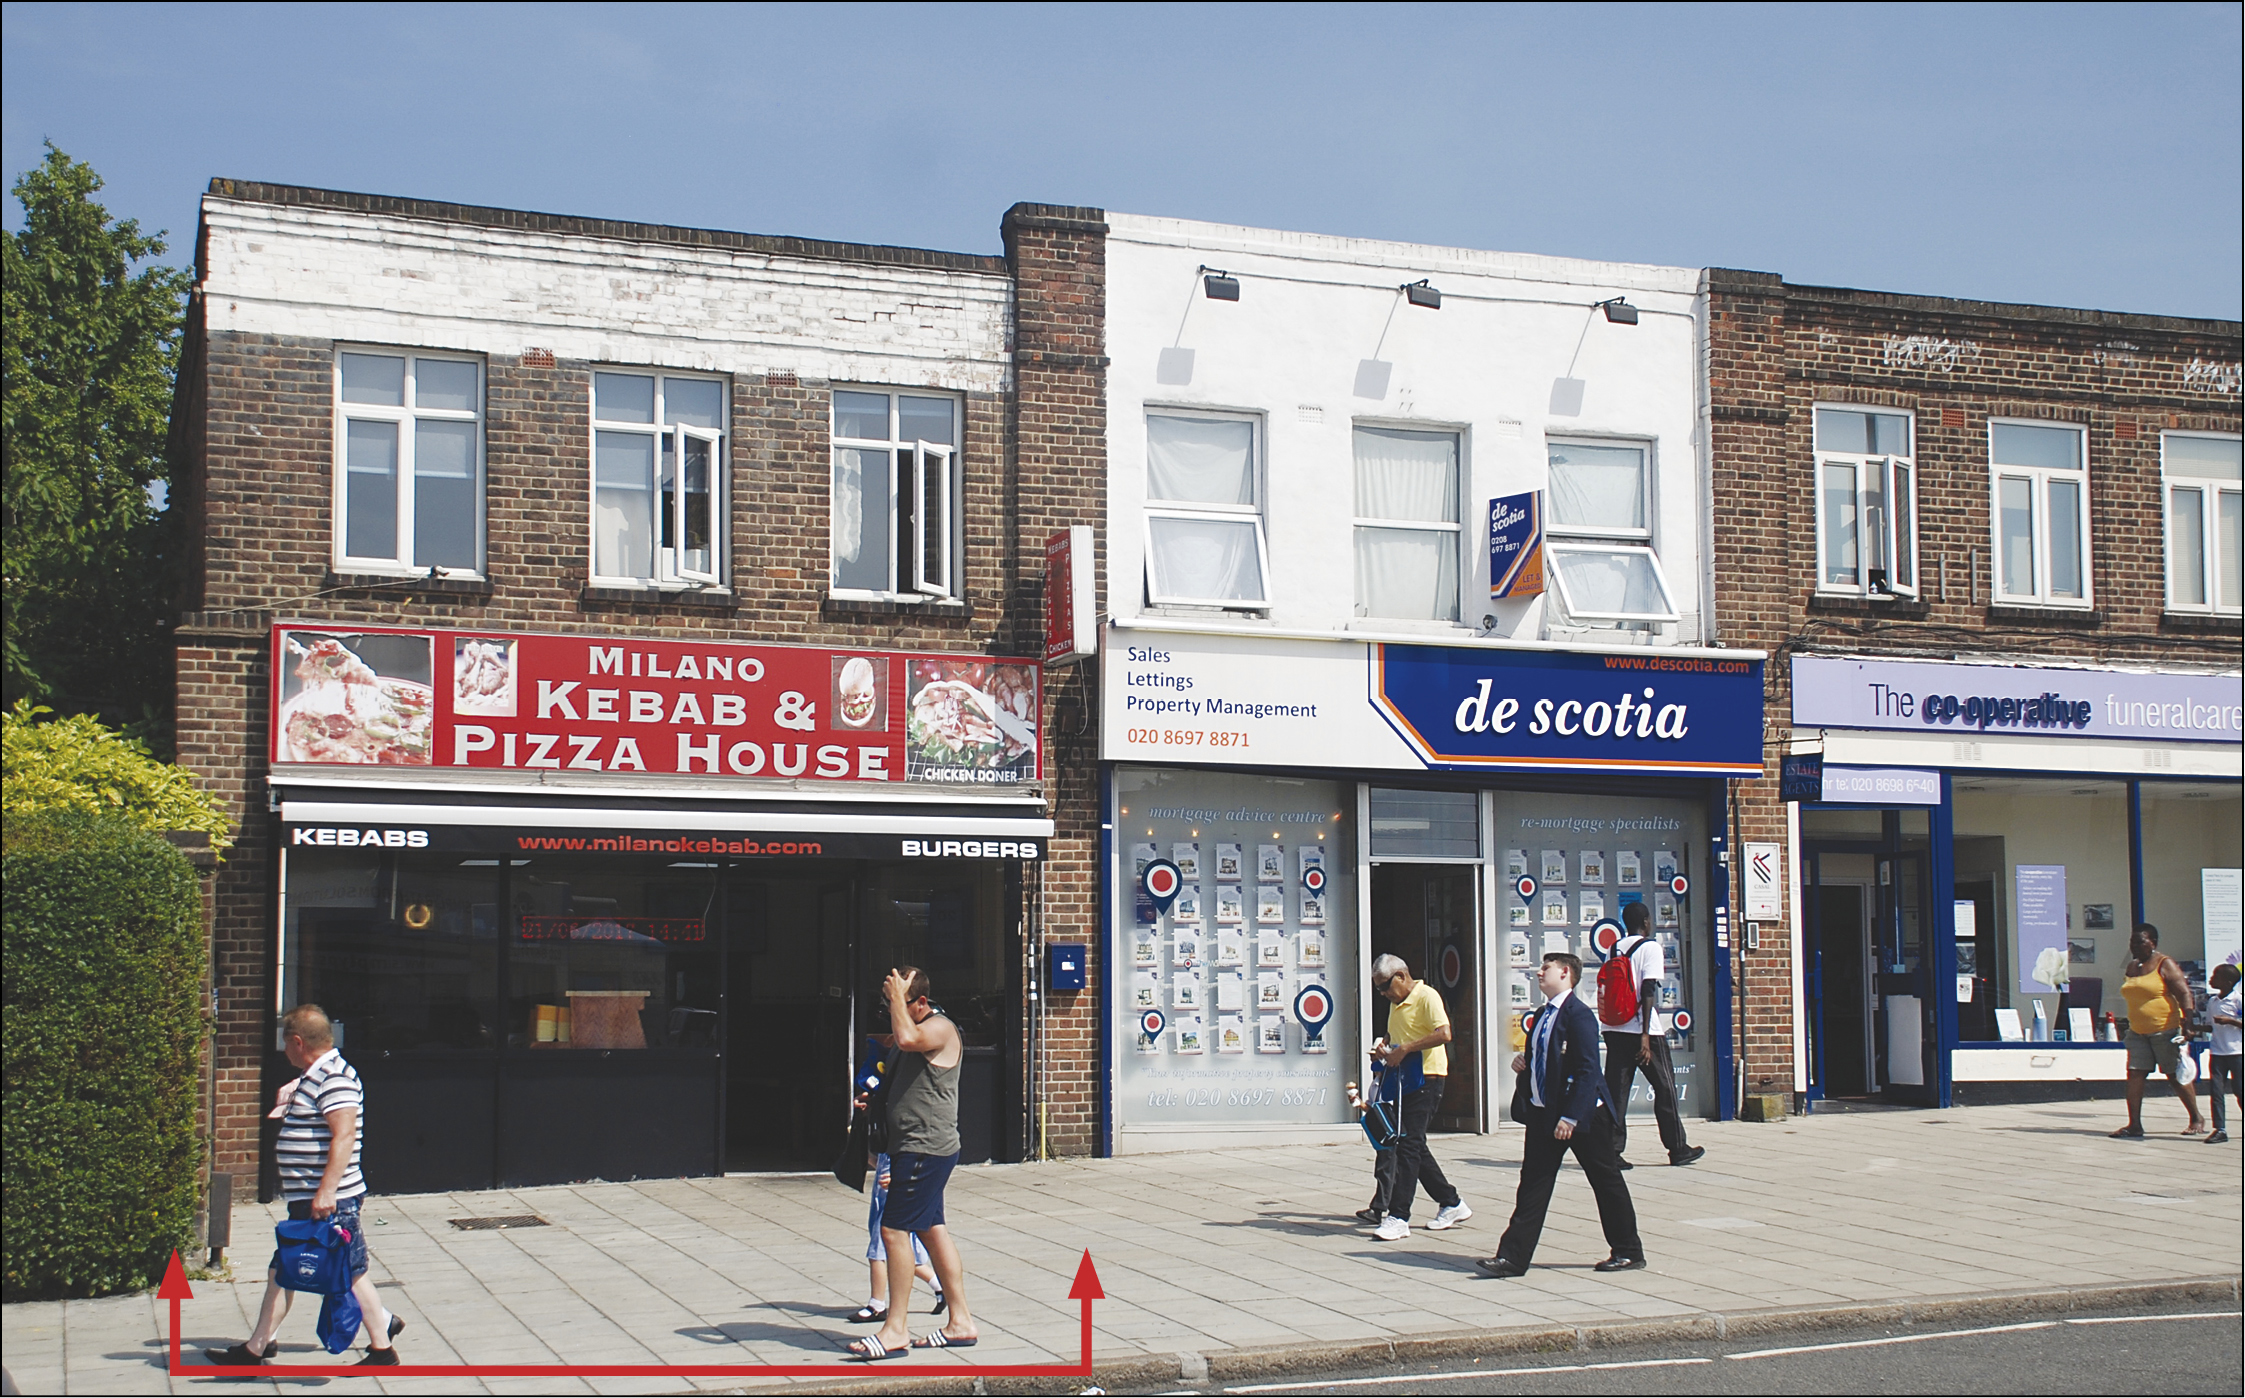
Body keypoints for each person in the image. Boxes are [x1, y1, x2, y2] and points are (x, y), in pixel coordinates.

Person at [205, 1005, 404, 1368]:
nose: (283, 1051)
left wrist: (326, 1191)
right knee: (293, 1268)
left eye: (285, 1043)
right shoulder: (315, 1076)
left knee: (344, 1270)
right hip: (311, 1195)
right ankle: (261, 1345)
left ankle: (380, 1347)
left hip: (327, 1198)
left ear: (298, 1042)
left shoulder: (334, 1078)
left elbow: (344, 1136)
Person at [1476, 953, 1644, 1278]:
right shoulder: (1542, 1014)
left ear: (1565, 973)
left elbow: (1588, 1070)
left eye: (1546, 968)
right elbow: (1545, 1057)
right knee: (1533, 1184)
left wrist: (1571, 1117)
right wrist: (1524, 1065)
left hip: (1582, 1115)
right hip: (1545, 1113)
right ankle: (1512, 1258)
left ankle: (1628, 1251)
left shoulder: (1579, 1016)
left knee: (1605, 1180)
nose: (1539, 972)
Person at [847, 967, 977, 1360]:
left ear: (921, 1002)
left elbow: (906, 1039)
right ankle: (961, 1323)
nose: (893, 1012)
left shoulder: (940, 1028)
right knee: (932, 1230)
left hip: (925, 1149)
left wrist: (897, 1001)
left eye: (900, 1004)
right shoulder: (912, 1026)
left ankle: (895, 1329)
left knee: (892, 1231)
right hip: (913, 1148)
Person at [1366, 954, 1469, 1241]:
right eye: (1378, 988)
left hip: (1428, 1078)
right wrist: (1384, 1046)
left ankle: (1399, 1216)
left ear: (1400, 976)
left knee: (1408, 1145)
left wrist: (1407, 1049)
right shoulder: (1395, 1003)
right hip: (1404, 1080)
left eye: (1385, 986)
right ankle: (1451, 1202)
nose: (1383, 993)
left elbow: (1444, 1033)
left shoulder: (1427, 996)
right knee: (1412, 1144)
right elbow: (1394, 1034)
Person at [1601, 902, 1705, 1169]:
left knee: (1617, 1093)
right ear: (1646, 921)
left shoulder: (1614, 948)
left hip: (1615, 1028)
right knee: (1665, 1087)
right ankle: (1677, 1148)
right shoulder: (1651, 947)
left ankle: (1611, 1152)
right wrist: (1645, 1036)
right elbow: (1648, 990)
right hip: (1643, 1030)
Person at [2111, 923, 2205, 1139]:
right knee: (2135, 1074)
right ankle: (2134, 1124)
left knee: (2173, 1074)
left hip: (2164, 1029)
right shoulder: (2132, 966)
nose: (2134, 946)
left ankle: (2196, 1117)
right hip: (2137, 1031)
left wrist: (2188, 1021)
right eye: (2132, 942)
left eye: (2140, 942)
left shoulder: (2165, 963)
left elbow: (2184, 993)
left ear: (2152, 943)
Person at [853, 1151, 942, 1323]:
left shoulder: (904, 1144)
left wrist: (899, 1178)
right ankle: (940, 1286)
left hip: (894, 1198)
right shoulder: (889, 1145)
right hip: (885, 1196)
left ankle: (876, 1305)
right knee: (903, 1256)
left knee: (877, 1253)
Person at [2204, 963, 2241, 1146]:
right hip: (2218, 1052)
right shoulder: (2213, 1002)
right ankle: (2220, 1129)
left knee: (2240, 1090)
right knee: (2216, 1091)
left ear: (2227, 982)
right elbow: (2210, 1026)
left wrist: (2231, 1021)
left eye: (2215, 976)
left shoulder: (2238, 1000)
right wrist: (2193, 1029)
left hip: (2237, 1053)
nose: (2211, 979)